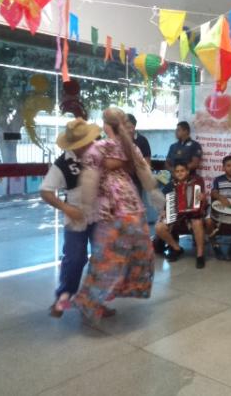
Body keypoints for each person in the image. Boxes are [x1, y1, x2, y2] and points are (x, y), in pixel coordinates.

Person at [73, 107, 156, 323]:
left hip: (112, 212)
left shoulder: (98, 149)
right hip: (133, 209)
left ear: (104, 125)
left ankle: (91, 303)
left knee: (105, 261)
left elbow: (89, 184)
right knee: (132, 256)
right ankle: (98, 301)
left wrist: (85, 209)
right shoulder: (131, 148)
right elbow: (147, 176)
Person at [40, 118, 101, 317]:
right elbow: (46, 192)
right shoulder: (62, 165)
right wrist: (66, 208)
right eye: (87, 142)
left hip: (100, 214)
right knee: (75, 258)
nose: (91, 144)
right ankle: (63, 297)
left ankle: (95, 301)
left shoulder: (96, 155)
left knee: (103, 259)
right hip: (76, 217)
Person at [154, 162, 208, 268]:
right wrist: (162, 211)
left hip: (192, 216)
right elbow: (162, 202)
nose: (179, 173)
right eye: (177, 171)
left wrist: (202, 198)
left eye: (182, 171)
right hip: (176, 217)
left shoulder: (196, 182)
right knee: (158, 227)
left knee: (197, 222)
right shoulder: (170, 185)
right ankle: (176, 248)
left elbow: (202, 203)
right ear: (174, 173)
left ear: (187, 171)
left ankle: (200, 255)